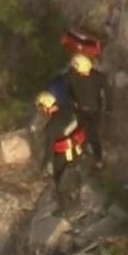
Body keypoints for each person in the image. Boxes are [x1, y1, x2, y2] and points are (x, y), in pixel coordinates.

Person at [36, 90, 91, 218]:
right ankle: (77, 197)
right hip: (79, 150)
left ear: (45, 107)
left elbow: (49, 151)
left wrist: (43, 166)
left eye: (41, 107)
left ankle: (65, 210)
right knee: (75, 174)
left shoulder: (51, 127)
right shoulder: (70, 111)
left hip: (63, 156)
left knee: (59, 182)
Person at [64, 53, 111, 169]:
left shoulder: (95, 77)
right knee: (84, 133)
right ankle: (86, 154)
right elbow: (68, 92)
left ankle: (97, 159)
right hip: (84, 110)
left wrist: (108, 108)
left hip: (91, 111)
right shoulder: (75, 77)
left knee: (92, 135)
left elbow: (107, 92)